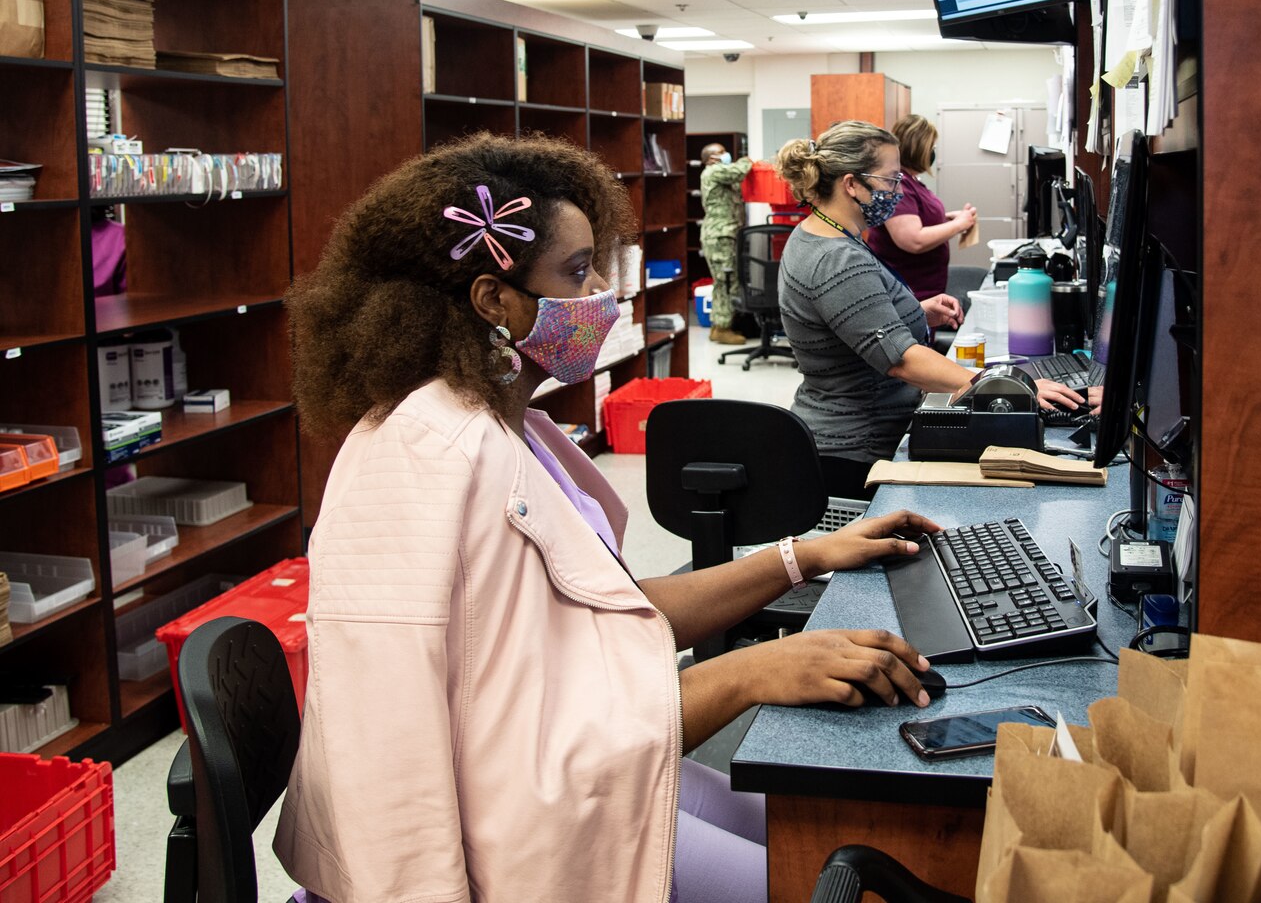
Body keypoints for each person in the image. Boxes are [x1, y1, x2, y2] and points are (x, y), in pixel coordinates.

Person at [274, 132, 940, 903]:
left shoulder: (507, 427)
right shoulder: (424, 459)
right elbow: (434, 751)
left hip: (562, 790)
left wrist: (805, 556)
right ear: (494, 300)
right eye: (576, 272)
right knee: (829, 881)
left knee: (824, 830)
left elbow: (610, 620)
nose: (601, 297)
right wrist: (755, 671)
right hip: (506, 839)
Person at [776, 121, 1088, 499]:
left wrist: (915, 312)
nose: (898, 190)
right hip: (859, 447)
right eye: (891, 180)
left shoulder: (820, 234)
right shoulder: (837, 258)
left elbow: (848, 323)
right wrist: (1006, 387)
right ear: (851, 184)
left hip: (852, 432)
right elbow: (901, 361)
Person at [866, 114, 976, 303]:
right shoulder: (898, 184)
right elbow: (913, 240)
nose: (933, 153)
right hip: (908, 293)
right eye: (931, 147)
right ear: (919, 148)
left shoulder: (911, 180)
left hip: (924, 290)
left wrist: (949, 220)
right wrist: (958, 225)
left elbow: (917, 219)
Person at [698, 142, 750, 346]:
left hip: (724, 235)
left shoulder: (718, 173)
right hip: (720, 236)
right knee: (728, 281)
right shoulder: (713, 171)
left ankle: (718, 325)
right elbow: (738, 171)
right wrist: (747, 161)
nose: (726, 154)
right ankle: (723, 327)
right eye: (721, 152)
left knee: (722, 281)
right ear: (711, 158)